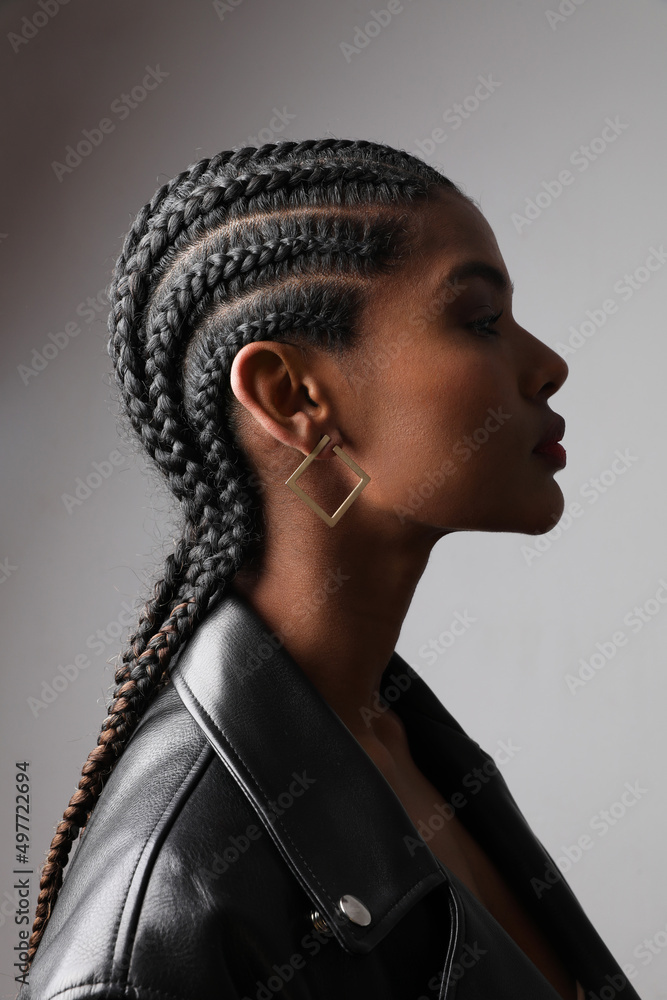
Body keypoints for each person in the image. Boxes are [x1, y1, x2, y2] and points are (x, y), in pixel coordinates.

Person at [20, 139, 641, 1000]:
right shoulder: (159, 925)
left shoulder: (394, 734)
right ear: (290, 397)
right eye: (479, 321)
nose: (546, 366)